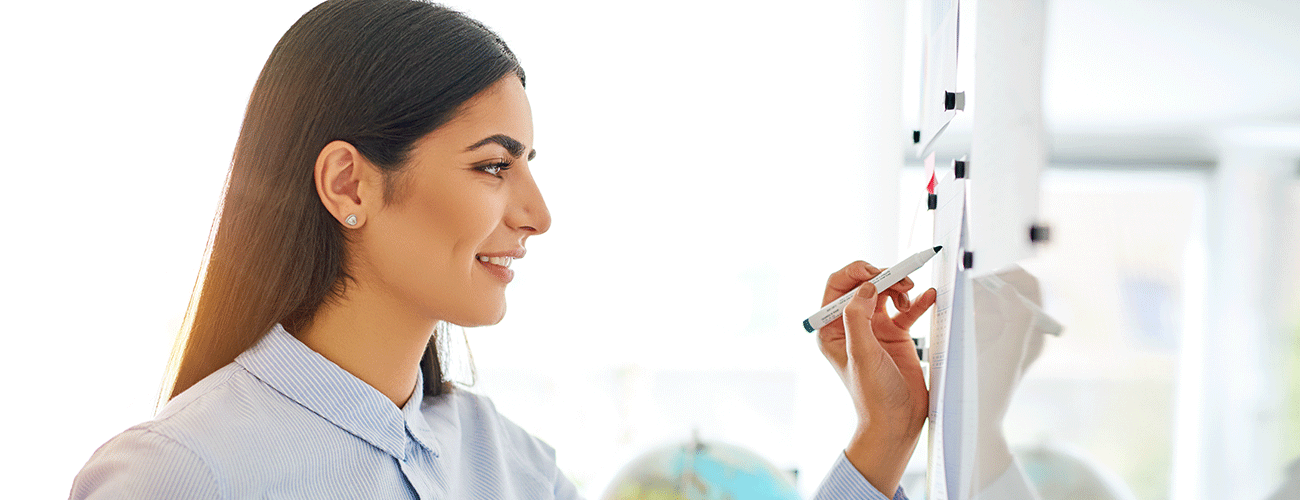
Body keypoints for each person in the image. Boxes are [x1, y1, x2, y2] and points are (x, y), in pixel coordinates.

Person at [69, 1, 937, 499]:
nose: (537, 214)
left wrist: (884, 434)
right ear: (349, 185)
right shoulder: (179, 477)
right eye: (493, 166)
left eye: (529, 167)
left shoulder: (507, 461)